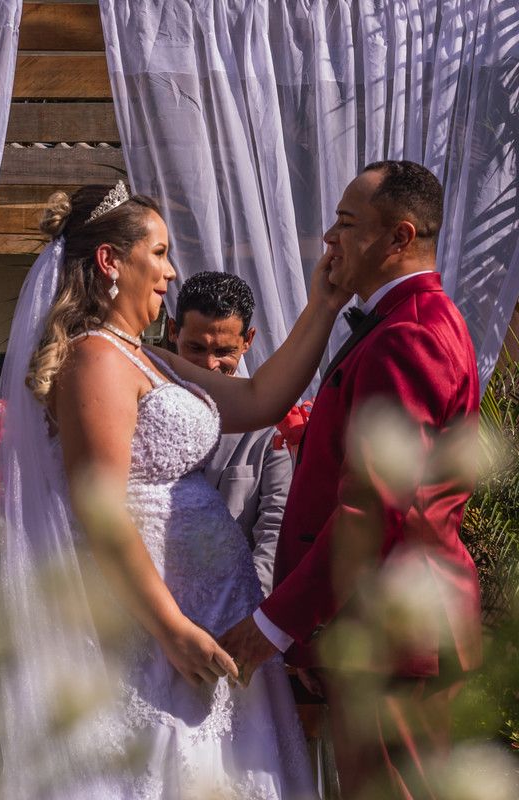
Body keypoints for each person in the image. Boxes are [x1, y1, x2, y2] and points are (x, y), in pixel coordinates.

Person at [0, 180, 349, 799]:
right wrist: (169, 627)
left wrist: (324, 302)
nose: (170, 271)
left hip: (212, 607)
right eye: (156, 253)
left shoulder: (144, 355)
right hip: (160, 625)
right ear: (111, 261)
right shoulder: (96, 360)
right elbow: (100, 511)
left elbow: (261, 398)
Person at [216, 161, 482, 798]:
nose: (329, 240)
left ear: (399, 238)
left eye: (346, 224)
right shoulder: (400, 322)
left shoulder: (411, 333)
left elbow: (375, 506)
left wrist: (276, 627)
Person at [168, 272, 291, 596]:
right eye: (195, 348)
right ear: (171, 332)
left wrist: (245, 619)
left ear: (248, 340)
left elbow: (275, 533)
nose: (209, 365)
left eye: (224, 351)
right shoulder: (144, 411)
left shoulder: (268, 427)